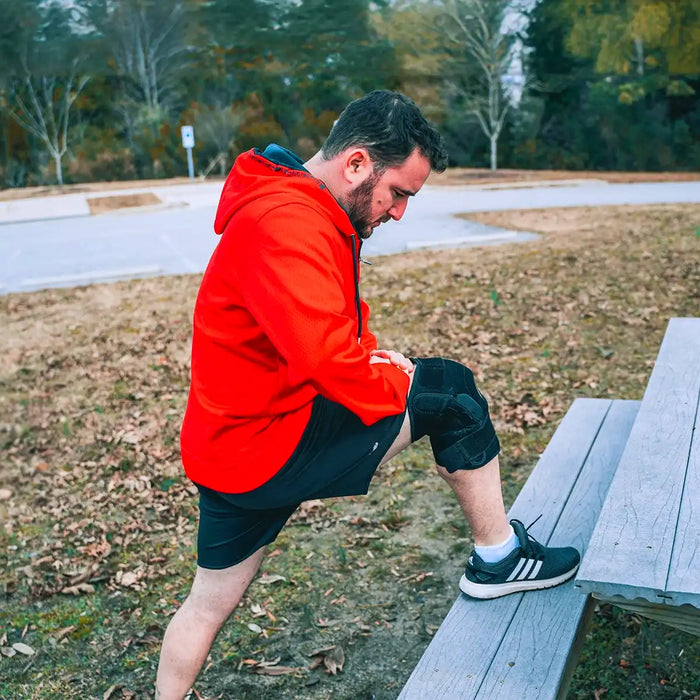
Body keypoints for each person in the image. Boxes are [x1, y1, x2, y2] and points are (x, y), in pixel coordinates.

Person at [155, 90, 580, 698]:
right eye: (399, 194)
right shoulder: (286, 221)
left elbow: (331, 328)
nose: (399, 212)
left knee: (205, 606)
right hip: (271, 445)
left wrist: (378, 357)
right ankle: (498, 559)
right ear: (357, 164)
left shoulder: (300, 206)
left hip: (232, 449)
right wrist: (399, 379)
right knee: (451, 394)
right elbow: (329, 358)